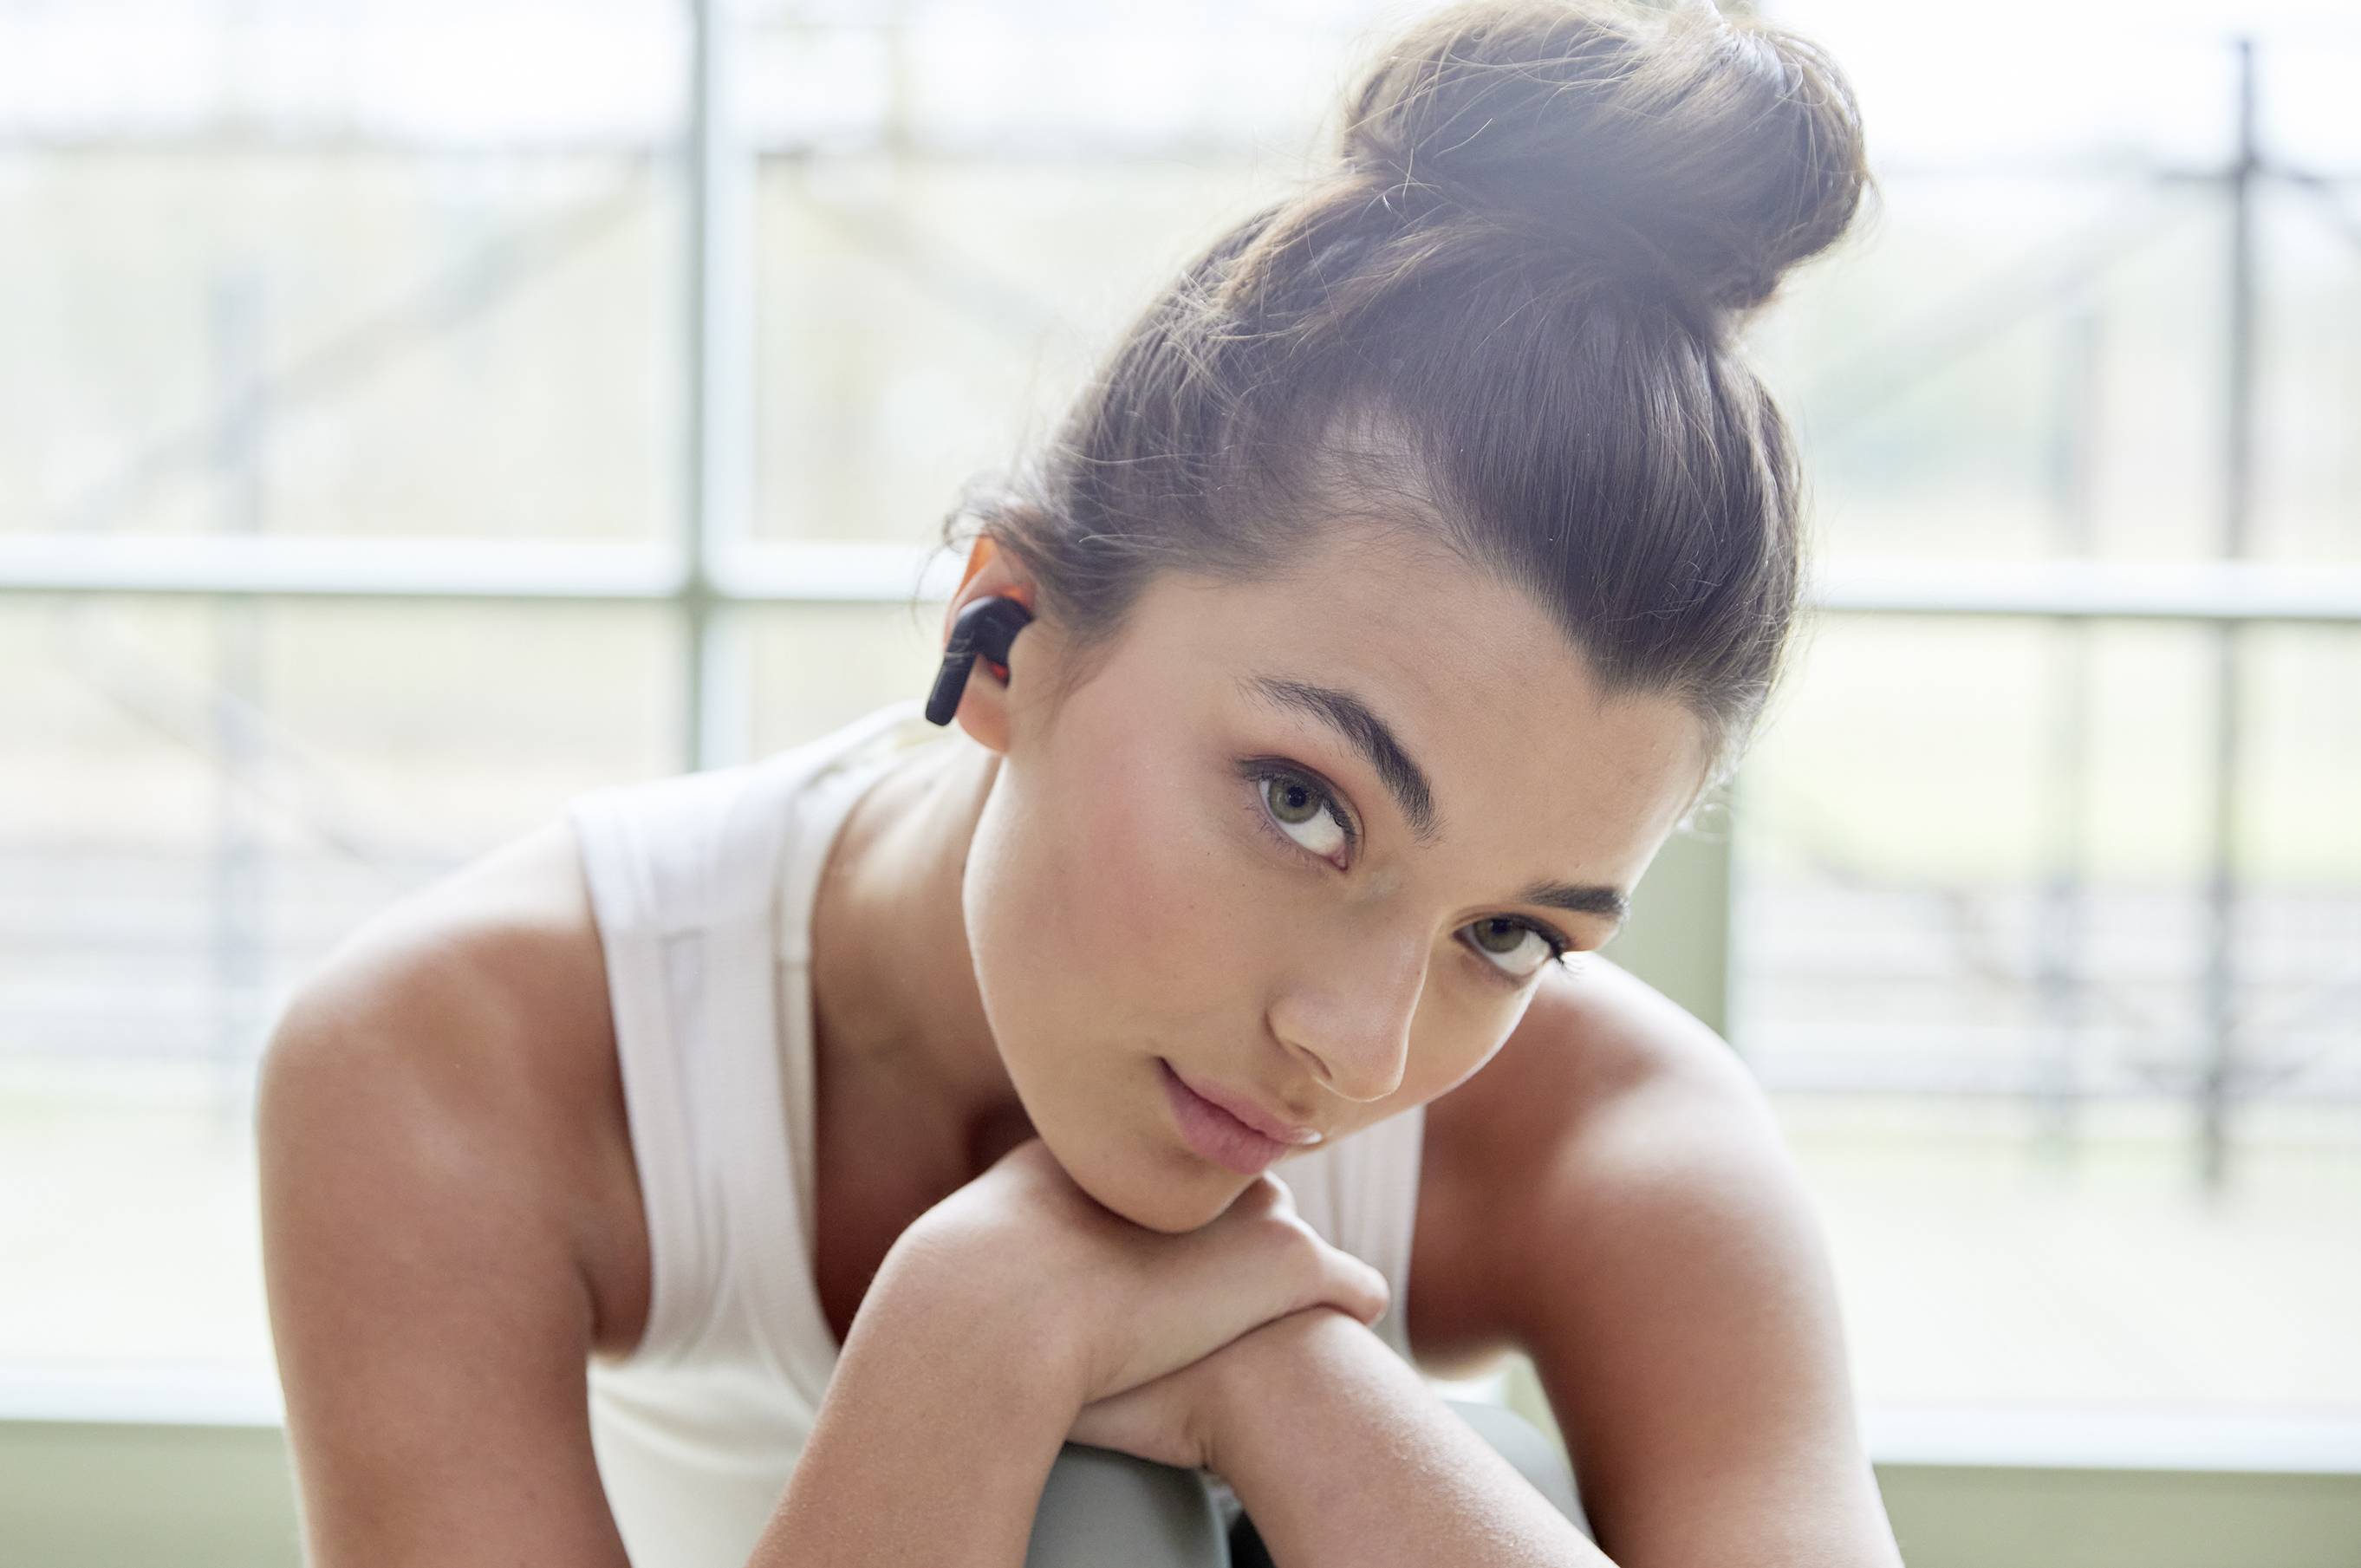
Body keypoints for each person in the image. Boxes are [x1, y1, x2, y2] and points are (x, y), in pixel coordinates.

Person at [257, 2, 1906, 1564]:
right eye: (1305, 802)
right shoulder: (452, 1063)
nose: (1360, 1043)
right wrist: (970, 1334)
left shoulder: (1617, 1137)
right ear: (1007, 635)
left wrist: (1289, 1386)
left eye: (1513, 935)